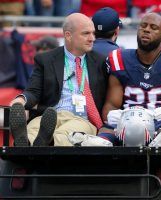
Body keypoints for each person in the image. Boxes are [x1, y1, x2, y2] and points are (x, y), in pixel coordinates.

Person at [9, 13, 109, 147]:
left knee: (68, 134)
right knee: (33, 129)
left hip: (81, 118)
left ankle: (47, 142)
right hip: (48, 115)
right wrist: (20, 100)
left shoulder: (101, 61)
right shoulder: (45, 59)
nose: (92, 38)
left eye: (93, 33)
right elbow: (33, 91)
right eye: (86, 33)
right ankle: (26, 142)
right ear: (68, 35)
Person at [101, 12, 161, 147]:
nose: (146, 29)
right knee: (100, 142)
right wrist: (117, 116)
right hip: (126, 124)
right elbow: (111, 106)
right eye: (143, 26)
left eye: (153, 27)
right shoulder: (120, 59)